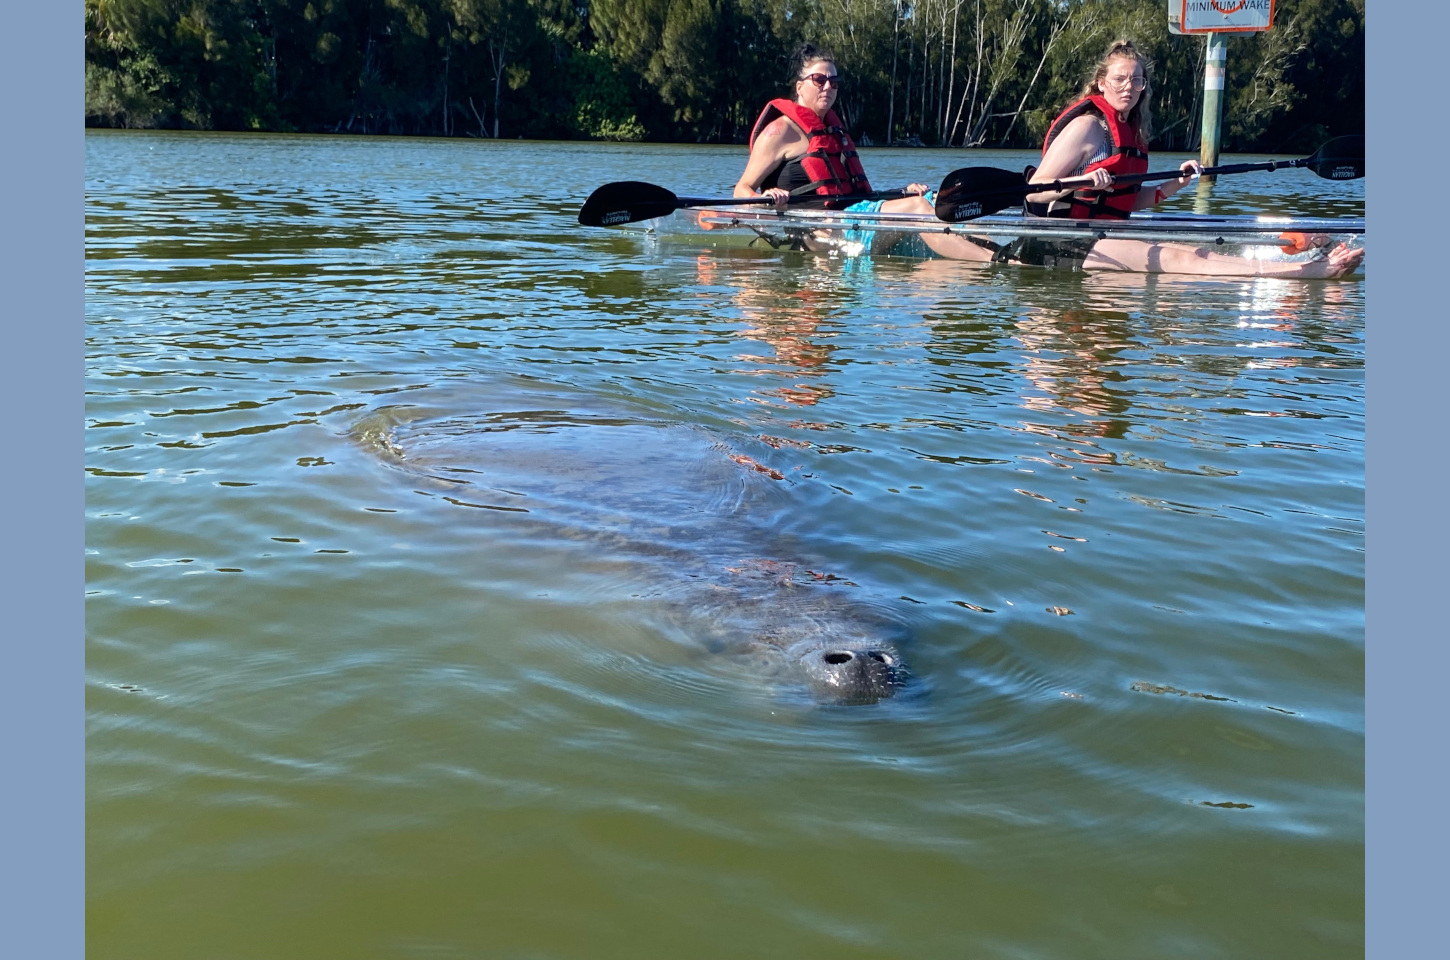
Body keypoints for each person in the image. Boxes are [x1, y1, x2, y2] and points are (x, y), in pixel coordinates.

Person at [1017, 40, 1363, 278]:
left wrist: (1176, 183)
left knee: (1188, 251)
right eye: (1119, 80)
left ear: (1143, 86)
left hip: (1104, 234)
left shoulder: (1132, 133)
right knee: (1180, 259)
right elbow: (1034, 192)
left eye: (1136, 81)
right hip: (1060, 242)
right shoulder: (1086, 127)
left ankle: (1304, 268)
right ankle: (1306, 274)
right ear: (1101, 83)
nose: (1128, 87)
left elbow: (1127, 202)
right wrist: (1081, 182)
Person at [734, 43, 996, 262]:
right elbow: (742, 190)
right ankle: (995, 263)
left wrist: (901, 192)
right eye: (819, 80)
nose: (828, 87)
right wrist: (766, 196)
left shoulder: (833, 131)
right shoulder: (780, 131)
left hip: (854, 218)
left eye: (834, 82)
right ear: (800, 86)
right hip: (821, 233)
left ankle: (1002, 251)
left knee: (934, 200)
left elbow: (855, 196)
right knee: (916, 208)